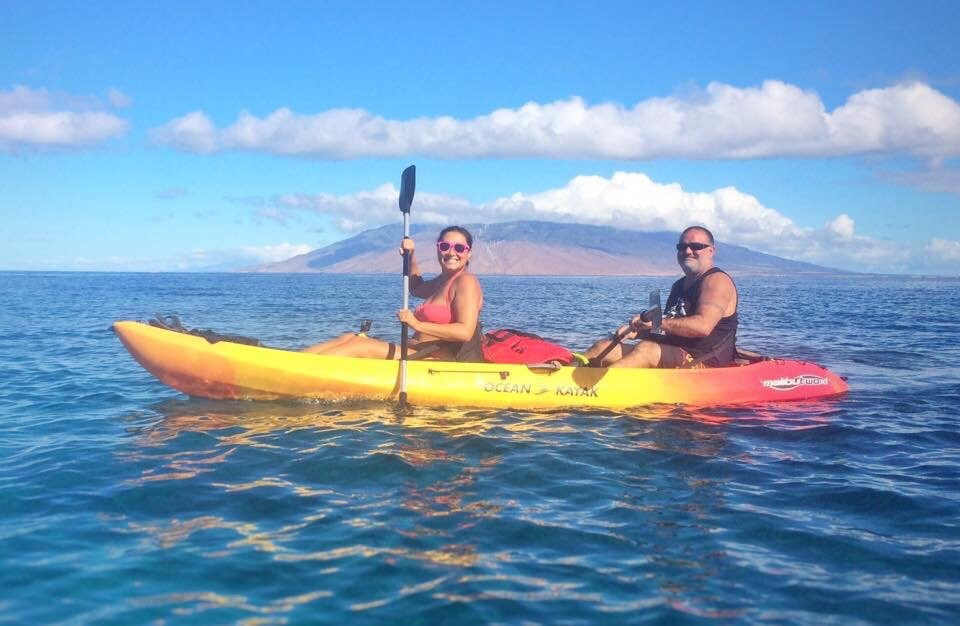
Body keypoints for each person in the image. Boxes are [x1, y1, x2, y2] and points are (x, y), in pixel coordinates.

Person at [304, 226, 484, 361]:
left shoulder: (465, 282)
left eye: (459, 248)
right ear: (438, 249)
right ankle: (293, 364)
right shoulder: (441, 281)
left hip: (436, 361)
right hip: (417, 352)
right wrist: (410, 256)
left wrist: (416, 324)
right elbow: (415, 288)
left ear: (468, 254)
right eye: (445, 246)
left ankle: (300, 373)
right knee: (349, 337)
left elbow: (464, 332)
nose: (451, 252)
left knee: (359, 345)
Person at [583, 226, 738, 368]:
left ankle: (599, 388)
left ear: (711, 251)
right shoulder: (679, 286)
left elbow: (702, 327)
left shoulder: (717, 281)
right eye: (682, 247)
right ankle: (566, 373)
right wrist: (639, 332)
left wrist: (657, 322)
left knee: (646, 349)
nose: (688, 251)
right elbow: (671, 329)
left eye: (696, 246)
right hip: (675, 353)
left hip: (705, 363)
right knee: (603, 346)